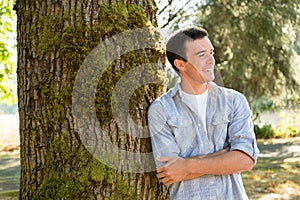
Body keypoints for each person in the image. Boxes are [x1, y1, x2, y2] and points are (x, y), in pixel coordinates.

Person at [148, 27, 259, 199]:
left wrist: (186, 166)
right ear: (180, 64)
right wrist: (226, 155)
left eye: (211, 53)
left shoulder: (234, 101)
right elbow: (169, 172)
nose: (211, 61)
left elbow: (245, 160)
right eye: (202, 55)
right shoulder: (161, 110)